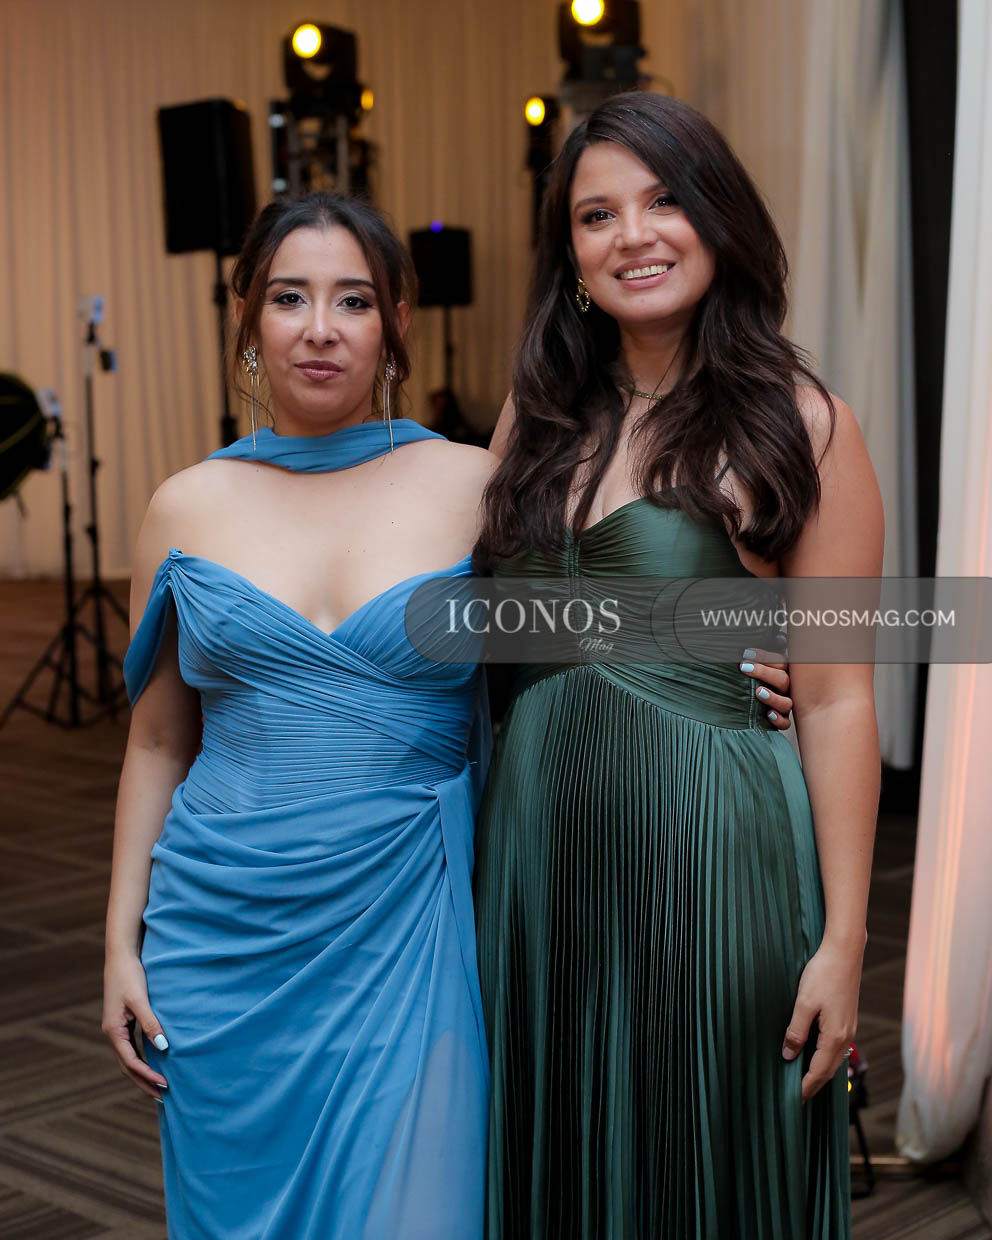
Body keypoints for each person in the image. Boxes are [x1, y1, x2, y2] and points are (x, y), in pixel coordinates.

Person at [472, 91, 882, 1238]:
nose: (631, 235)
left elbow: (838, 698)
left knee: (703, 1157)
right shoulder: (533, 419)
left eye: (661, 201)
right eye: (595, 215)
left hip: (712, 850)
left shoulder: (799, 423)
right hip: (537, 861)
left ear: (717, 216)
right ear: (568, 254)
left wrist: (843, 944)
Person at [101, 192, 496, 1239]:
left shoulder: (476, 487)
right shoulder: (184, 505)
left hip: (405, 921)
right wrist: (120, 943)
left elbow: (603, 635)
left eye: (352, 300)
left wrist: (759, 646)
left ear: (396, 323)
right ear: (247, 317)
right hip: (220, 935)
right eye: (289, 298)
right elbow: (156, 741)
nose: (320, 328)